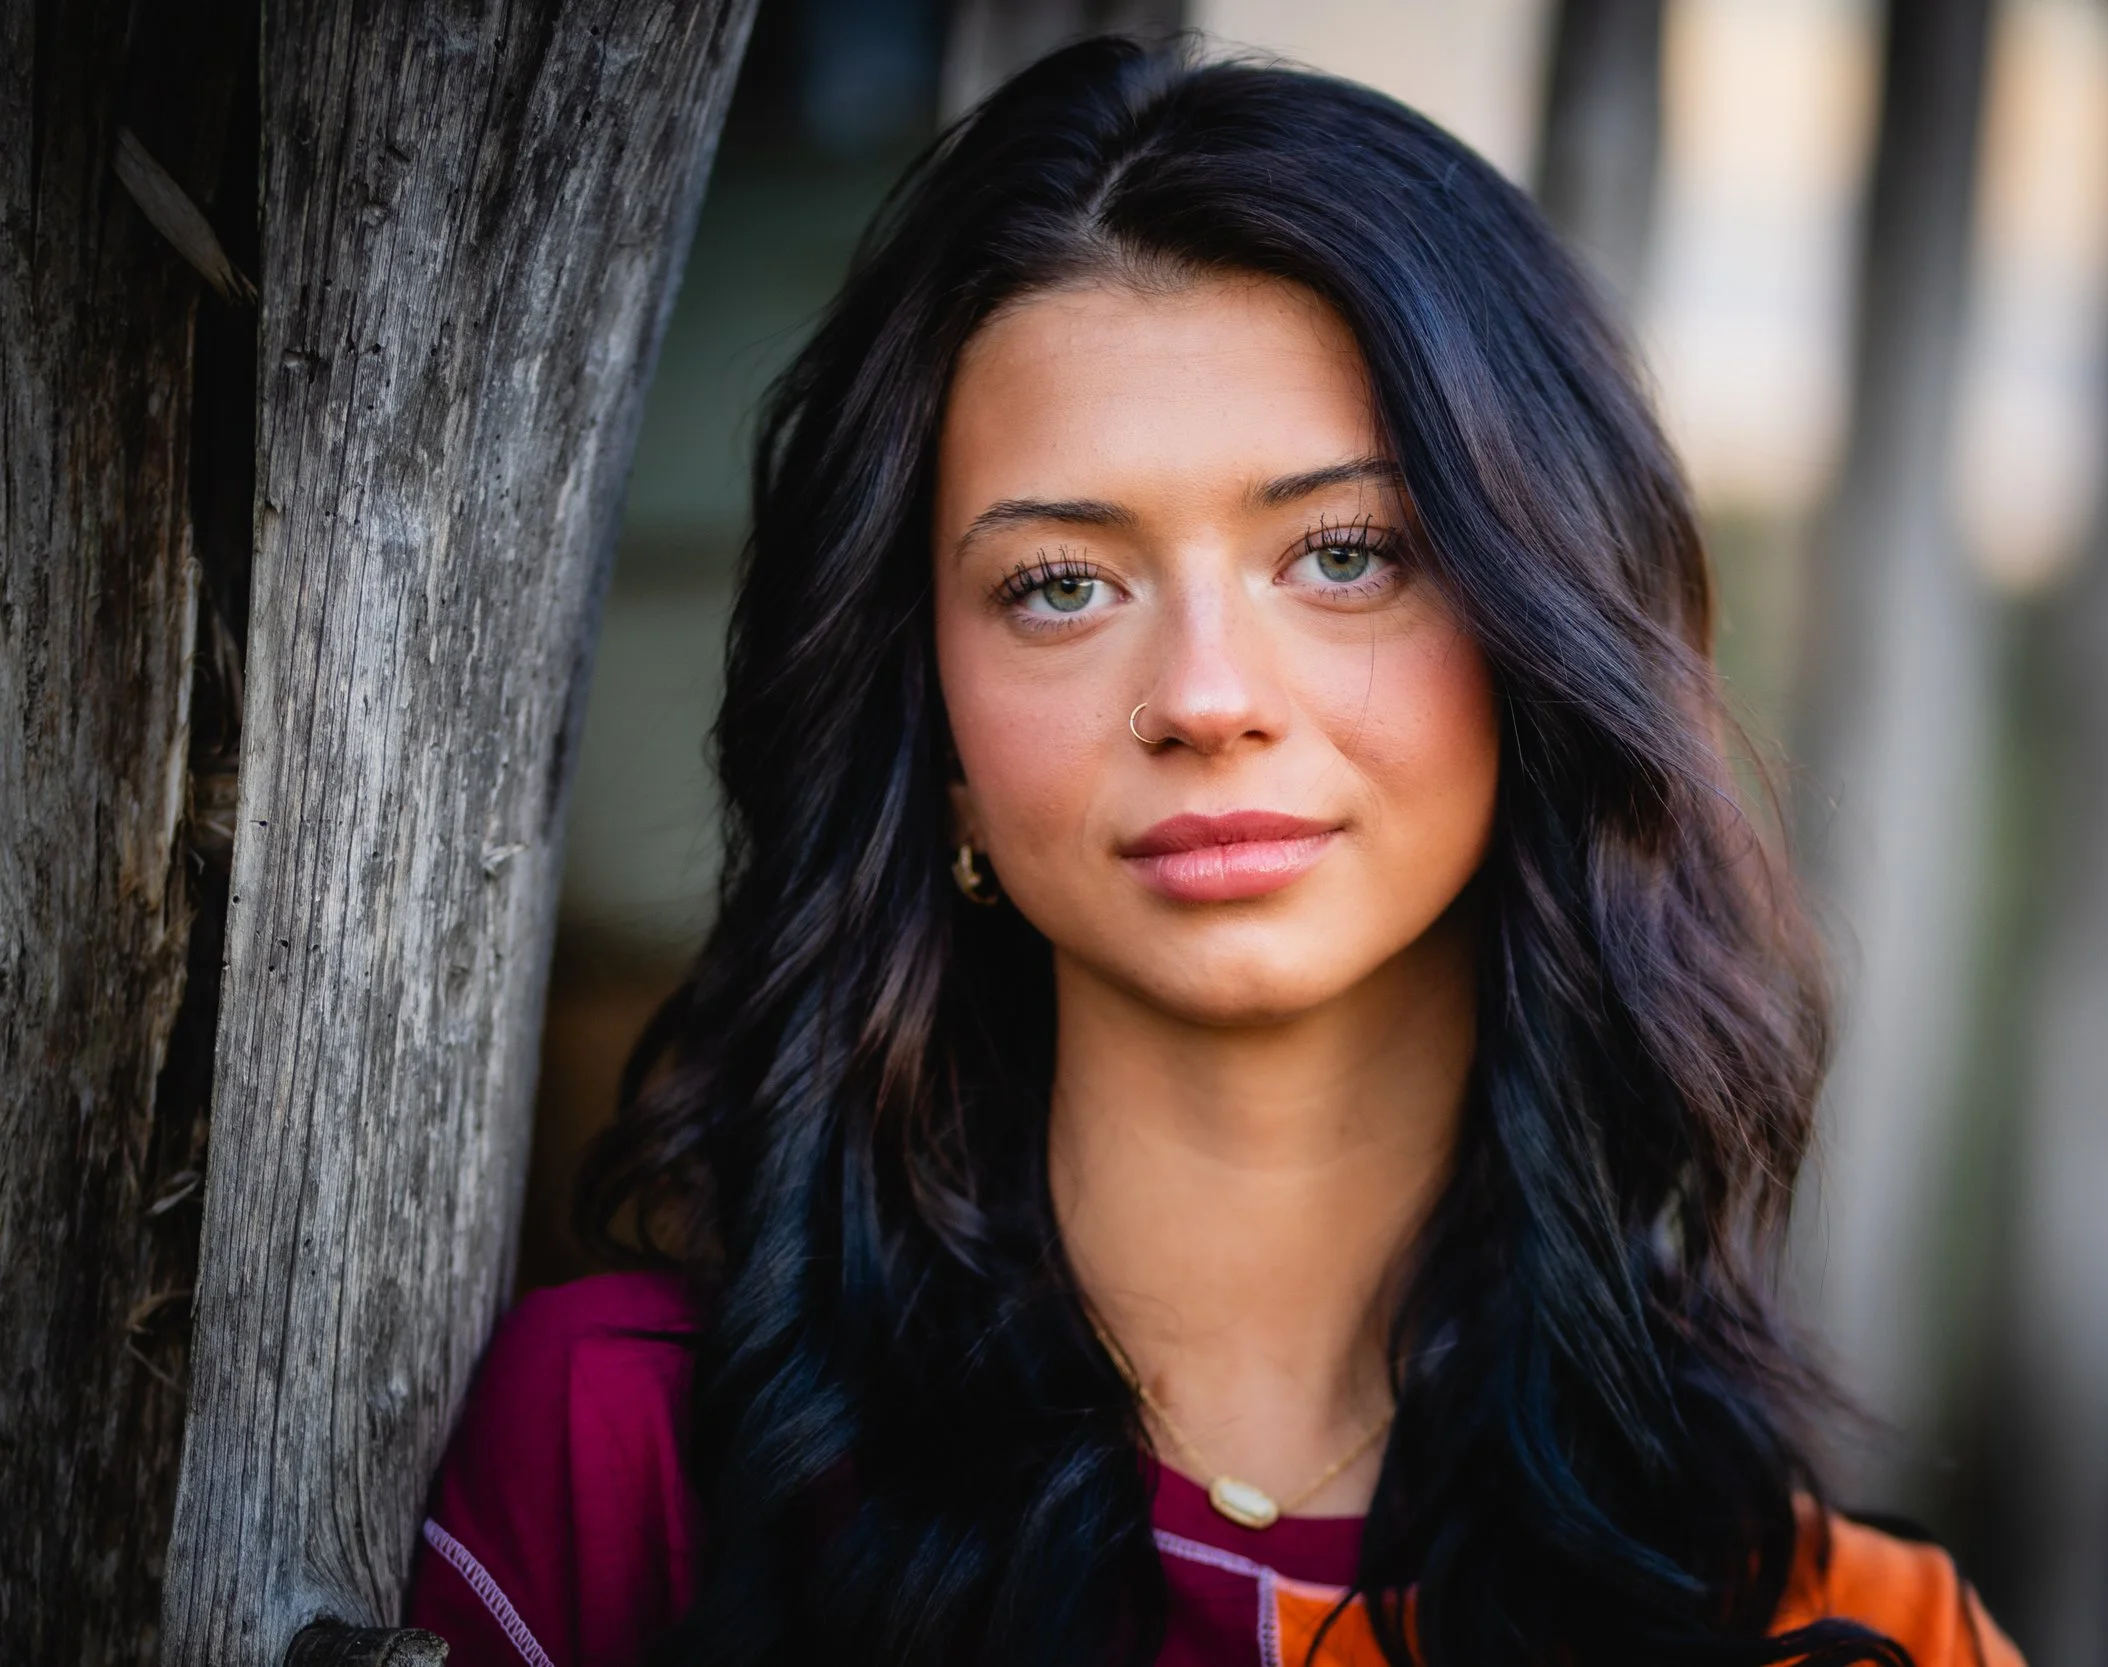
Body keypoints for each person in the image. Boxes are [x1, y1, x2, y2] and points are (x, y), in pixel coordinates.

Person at [410, 34, 2019, 1667]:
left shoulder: (1832, 1623)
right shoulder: (629, 1470)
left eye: (1342, 554)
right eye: (1058, 583)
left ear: (1544, 642)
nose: (1203, 697)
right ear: (935, 734)